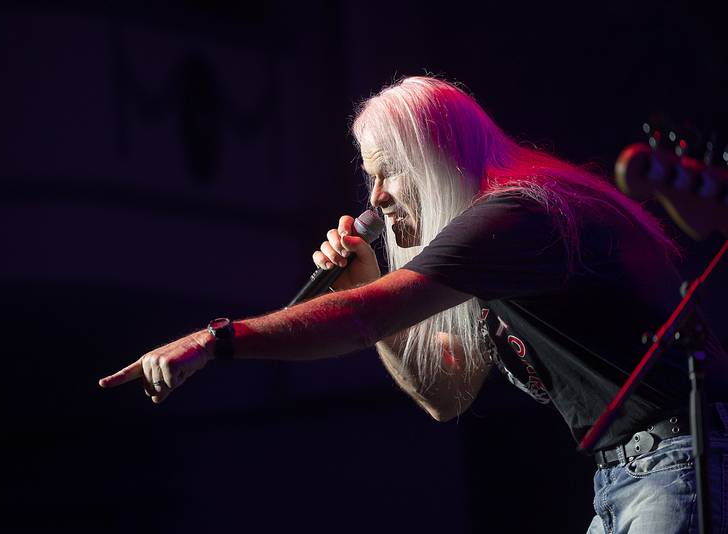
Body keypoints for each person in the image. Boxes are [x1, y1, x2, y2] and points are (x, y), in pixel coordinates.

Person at [99, 76, 728, 533]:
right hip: (627, 478)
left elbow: (368, 316)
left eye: (385, 175)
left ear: (429, 163)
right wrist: (363, 283)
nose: (374, 200)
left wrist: (217, 339)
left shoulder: (511, 216)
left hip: (677, 462)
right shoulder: (491, 258)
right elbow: (444, 396)